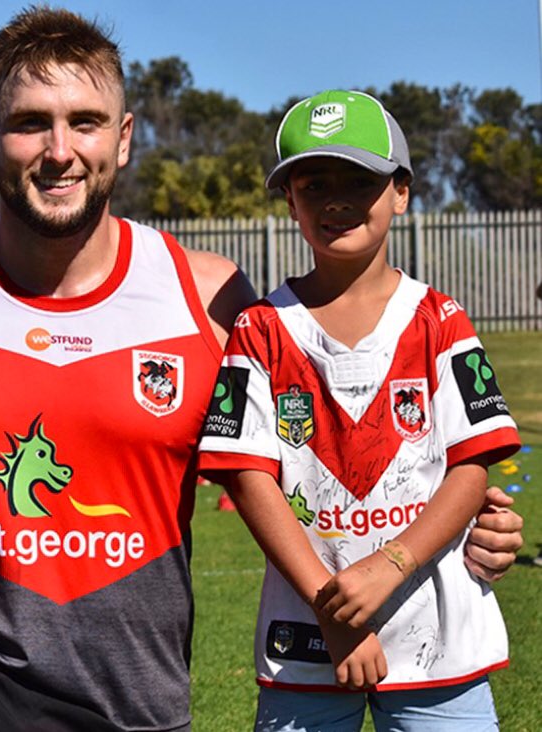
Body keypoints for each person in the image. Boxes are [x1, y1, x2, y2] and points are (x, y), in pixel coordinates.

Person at [0, 10, 524, 731]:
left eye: (84, 122)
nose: (58, 149)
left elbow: (338, 448)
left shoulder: (209, 299)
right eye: (29, 124)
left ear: (125, 136)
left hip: (127, 692)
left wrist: (470, 522)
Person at [198, 90, 521, 731]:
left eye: (360, 179)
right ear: (289, 200)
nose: (336, 199)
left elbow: (472, 465)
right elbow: (246, 473)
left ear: (401, 191)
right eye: (314, 183)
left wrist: (390, 566)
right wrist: (332, 608)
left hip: (439, 643)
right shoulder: (260, 329)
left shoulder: (441, 320)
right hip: (308, 644)